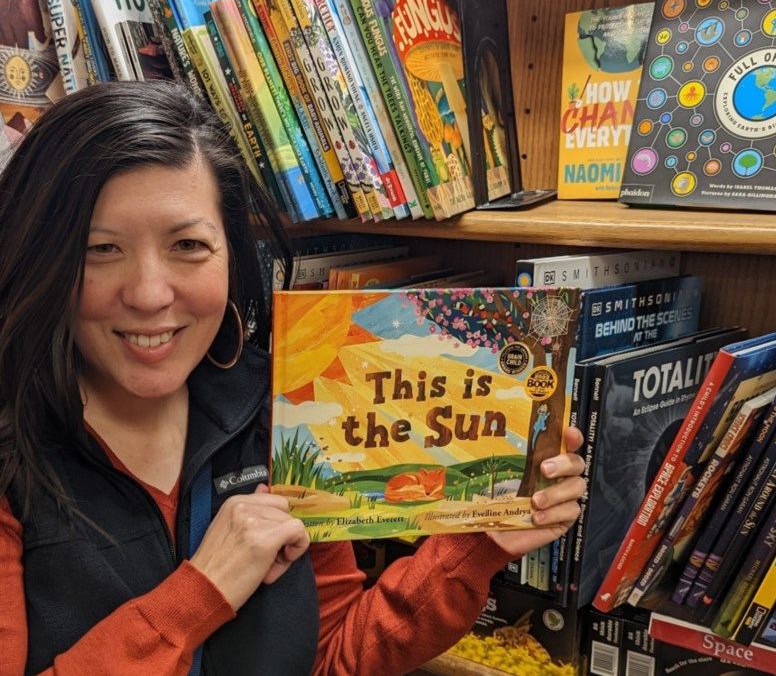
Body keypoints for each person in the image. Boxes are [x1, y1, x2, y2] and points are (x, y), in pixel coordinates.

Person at [0, 80, 586, 675]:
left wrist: (480, 540)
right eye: (101, 249)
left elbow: (330, 659)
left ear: (233, 254)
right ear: (39, 255)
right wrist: (203, 591)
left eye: (188, 245)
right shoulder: (12, 456)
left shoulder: (283, 410)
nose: (150, 293)